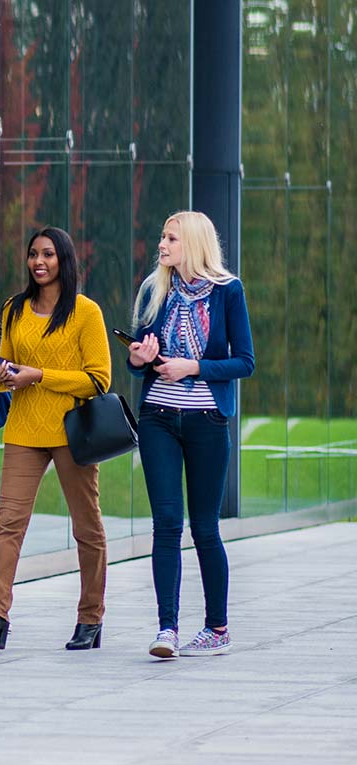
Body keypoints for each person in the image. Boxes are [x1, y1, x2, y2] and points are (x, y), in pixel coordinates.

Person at [0, 227, 110, 651]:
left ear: (64, 260)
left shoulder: (86, 313)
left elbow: (98, 380)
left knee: (87, 528)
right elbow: (5, 377)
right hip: (25, 431)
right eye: (33, 254)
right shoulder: (14, 309)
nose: (39, 262)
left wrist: (40, 375)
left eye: (48, 254)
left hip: (73, 434)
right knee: (6, 525)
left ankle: (90, 618)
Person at [128, 211, 254, 659]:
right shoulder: (155, 289)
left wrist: (194, 367)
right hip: (158, 417)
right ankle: (167, 629)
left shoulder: (228, 292)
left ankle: (217, 627)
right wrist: (141, 356)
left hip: (206, 421)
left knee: (204, 528)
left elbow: (245, 362)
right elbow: (136, 357)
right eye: (162, 236)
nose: (161, 245)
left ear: (194, 243)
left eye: (170, 238)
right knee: (166, 523)